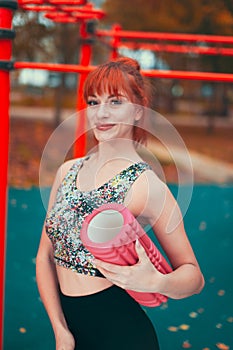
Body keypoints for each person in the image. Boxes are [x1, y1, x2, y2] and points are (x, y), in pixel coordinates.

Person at [36, 57, 204, 350]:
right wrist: (60, 329)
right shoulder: (67, 171)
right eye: (93, 102)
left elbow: (193, 276)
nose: (101, 113)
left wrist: (156, 282)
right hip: (70, 332)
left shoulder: (147, 185)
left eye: (115, 102)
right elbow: (44, 257)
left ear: (138, 111)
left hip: (121, 334)